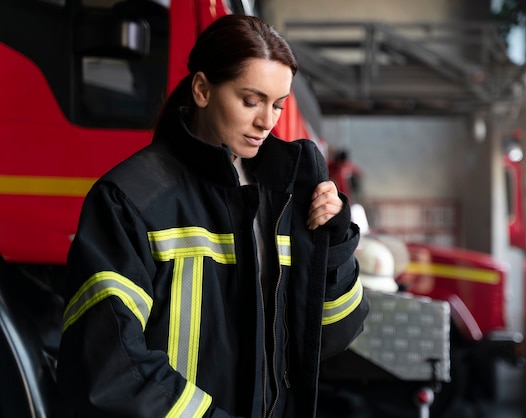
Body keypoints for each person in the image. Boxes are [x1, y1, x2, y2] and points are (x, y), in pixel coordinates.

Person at [57, 14, 369, 418]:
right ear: (203, 89)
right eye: (251, 100)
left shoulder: (288, 192)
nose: (266, 121)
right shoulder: (130, 199)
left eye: (277, 105)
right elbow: (109, 365)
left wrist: (335, 247)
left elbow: (330, 338)